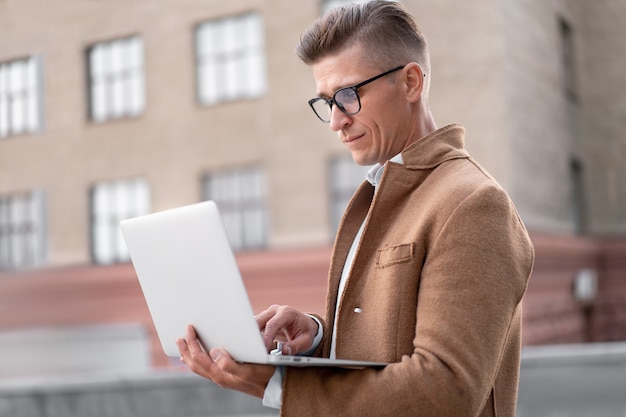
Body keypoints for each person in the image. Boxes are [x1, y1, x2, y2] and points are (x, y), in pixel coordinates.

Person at [176, 1, 535, 416]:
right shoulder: (383, 192)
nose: (335, 121)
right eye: (327, 101)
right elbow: (385, 351)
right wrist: (316, 336)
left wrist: (280, 387)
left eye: (348, 95)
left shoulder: (473, 204)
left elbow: (445, 391)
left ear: (411, 83)